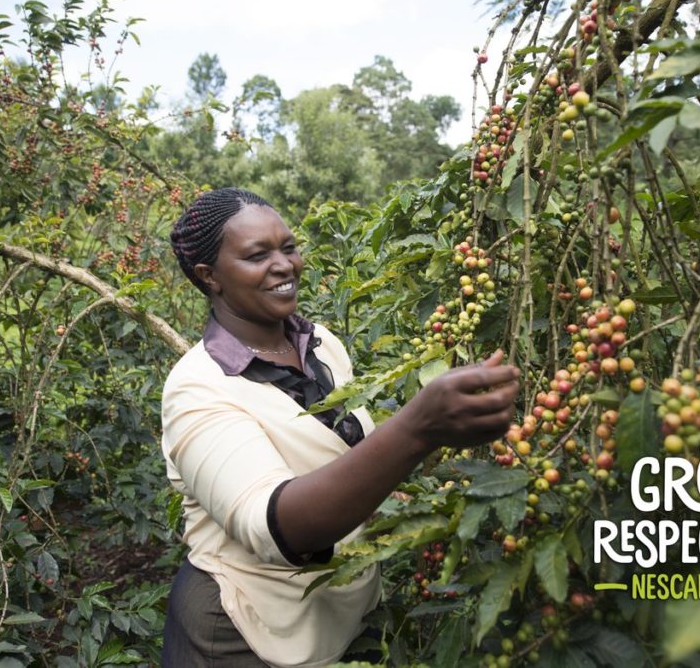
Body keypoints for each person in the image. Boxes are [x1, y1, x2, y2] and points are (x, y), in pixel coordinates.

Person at [160, 187, 519, 667]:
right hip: (242, 633)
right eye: (257, 255)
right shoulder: (197, 387)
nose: (285, 265)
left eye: (288, 247)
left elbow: (343, 458)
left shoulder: (321, 343)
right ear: (210, 276)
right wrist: (417, 428)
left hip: (345, 617)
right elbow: (275, 528)